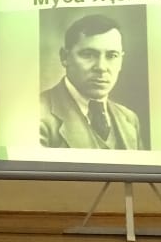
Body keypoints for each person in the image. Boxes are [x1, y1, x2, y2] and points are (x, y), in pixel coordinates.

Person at [39, 14, 145, 150]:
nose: (101, 67)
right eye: (88, 54)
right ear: (65, 57)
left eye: (112, 56)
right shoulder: (37, 117)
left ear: (121, 60)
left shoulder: (129, 119)